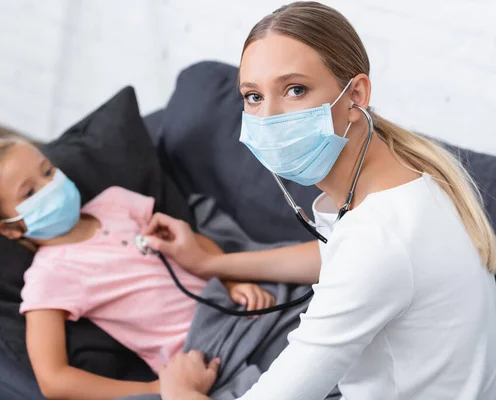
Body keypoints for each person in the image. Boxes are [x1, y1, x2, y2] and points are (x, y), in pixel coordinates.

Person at [143, 2, 496, 399]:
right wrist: (213, 262)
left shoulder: (378, 241)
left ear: (356, 94)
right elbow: (337, 256)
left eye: (295, 89)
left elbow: (365, 260)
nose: (270, 118)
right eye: (253, 96)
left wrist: (179, 390)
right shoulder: (411, 177)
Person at [0, 137, 275, 400]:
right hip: (205, 353)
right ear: (7, 229)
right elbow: (53, 380)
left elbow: (189, 242)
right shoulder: (48, 277)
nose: (50, 185)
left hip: (239, 309)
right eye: (29, 192)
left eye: (48, 171)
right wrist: (156, 389)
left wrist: (232, 280)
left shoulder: (117, 202)